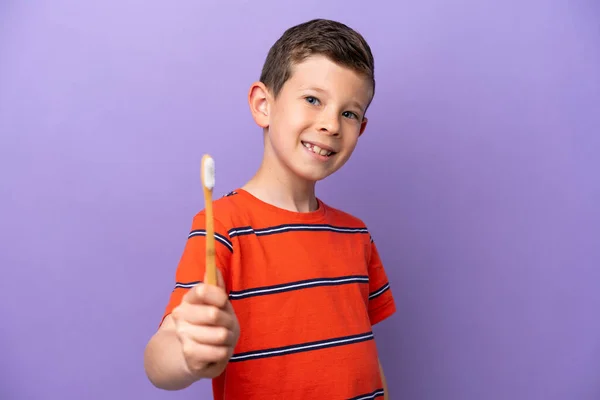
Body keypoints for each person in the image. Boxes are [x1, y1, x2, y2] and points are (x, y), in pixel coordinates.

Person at [144, 18, 396, 399]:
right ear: (264, 105)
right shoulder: (224, 227)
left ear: (360, 129)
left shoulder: (355, 234)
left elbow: (364, 354)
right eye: (313, 99)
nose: (331, 124)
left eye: (349, 113)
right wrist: (186, 351)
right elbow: (160, 362)